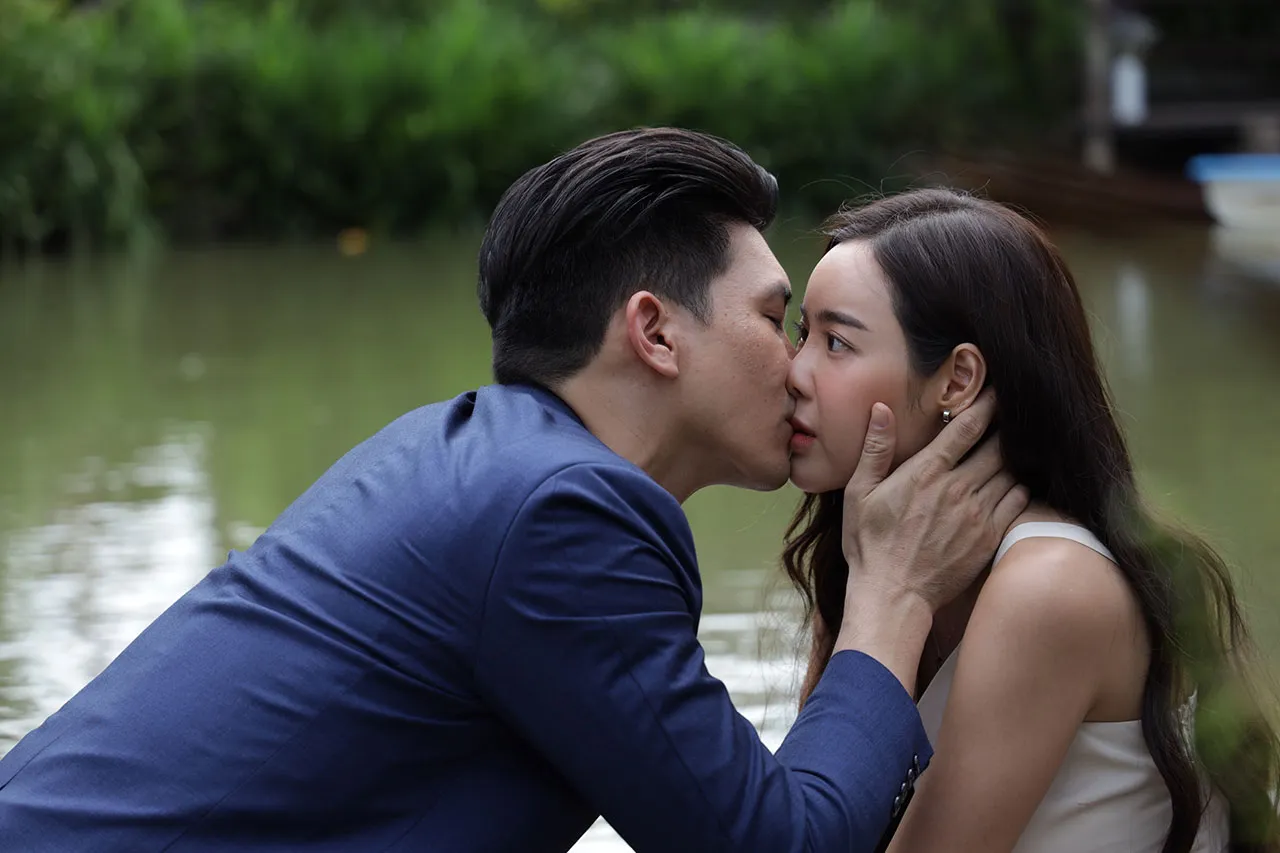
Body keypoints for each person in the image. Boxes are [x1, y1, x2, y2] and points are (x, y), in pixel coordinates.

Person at [0, 130, 1028, 852]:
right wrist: (890, 597)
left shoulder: (471, 453)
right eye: (774, 320)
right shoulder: (564, 516)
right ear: (654, 332)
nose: (799, 367)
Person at [783, 187, 1280, 853]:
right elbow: (811, 828)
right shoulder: (871, 570)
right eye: (802, 335)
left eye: (836, 342)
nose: (794, 372)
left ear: (957, 380)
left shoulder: (1049, 585)